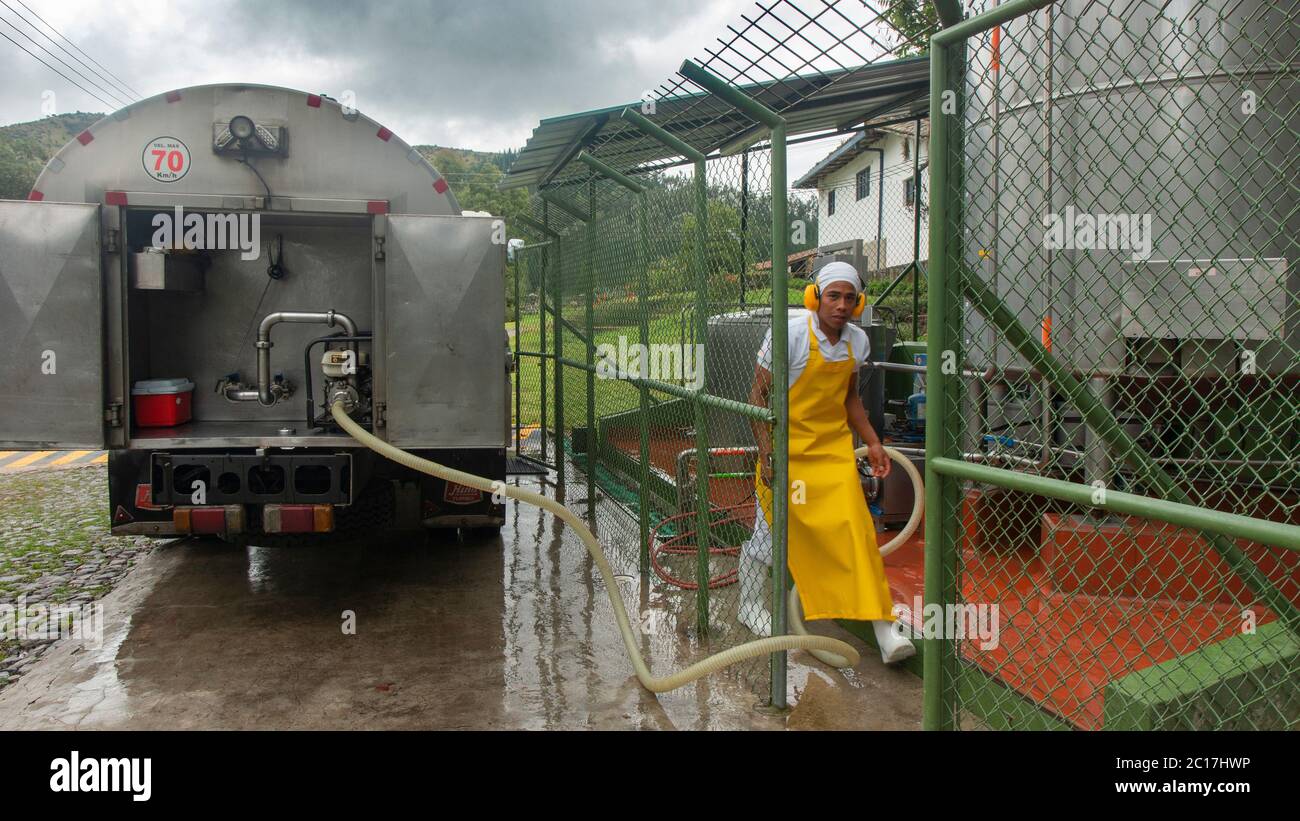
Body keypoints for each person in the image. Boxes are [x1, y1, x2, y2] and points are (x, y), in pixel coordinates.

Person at [739, 261, 915, 664]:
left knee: (858, 535)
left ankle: (885, 631)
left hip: (831, 456)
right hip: (786, 454)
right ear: (815, 297)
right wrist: (768, 455)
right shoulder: (790, 334)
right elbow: (757, 398)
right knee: (772, 535)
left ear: (858, 303)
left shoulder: (857, 342)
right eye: (833, 296)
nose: (841, 305)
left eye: (849, 298)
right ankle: (748, 606)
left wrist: (874, 442)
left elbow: (849, 399)